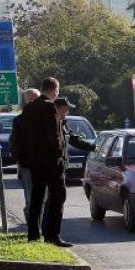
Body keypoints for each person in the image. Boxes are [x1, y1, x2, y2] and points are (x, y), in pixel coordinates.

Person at [37, 97, 95, 247]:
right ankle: (53, 236)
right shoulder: (50, 124)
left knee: (54, 200)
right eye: (66, 109)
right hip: (52, 167)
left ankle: (49, 235)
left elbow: (72, 139)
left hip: (57, 167)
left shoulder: (60, 124)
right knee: (56, 200)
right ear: (58, 108)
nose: (68, 112)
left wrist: (92, 147)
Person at [19, 77, 69, 245]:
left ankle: (33, 235)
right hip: (50, 161)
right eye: (57, 91)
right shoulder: (49, 107)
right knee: (58, 196)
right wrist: (59, 154)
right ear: (55, 90)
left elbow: (24, 135)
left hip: (34, 161)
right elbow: (53, 135)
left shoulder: (29, 108)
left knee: (36, 198)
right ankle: (52, 235)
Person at [10, 88, 41, 220]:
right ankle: (32, 222)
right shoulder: (18, 120)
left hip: (45, 165)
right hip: (27, 165)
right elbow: (14, 140)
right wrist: (18, 157)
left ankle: (41, 222)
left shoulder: (49, 117)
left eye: (35, 100)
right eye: (30, 100)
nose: (33, 102)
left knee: (44, 197)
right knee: (30, 195)